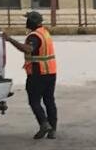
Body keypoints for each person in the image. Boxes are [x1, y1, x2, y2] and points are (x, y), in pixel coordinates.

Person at [4, 11, 58, 139]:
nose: (26, 22)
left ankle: (44, 124)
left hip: (38, 73)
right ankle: (53, 130)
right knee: (49, 101)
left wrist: (9, 39)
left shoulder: (34, 36)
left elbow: (28, 49)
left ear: (32, 22)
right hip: (50, 72)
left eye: (27, 19)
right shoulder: (44, 32)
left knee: (34, 101)